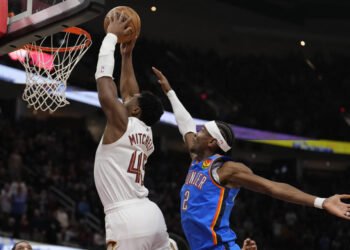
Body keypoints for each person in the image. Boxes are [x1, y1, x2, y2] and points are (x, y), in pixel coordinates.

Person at [152, 67, 350, 250]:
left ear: (212, 142)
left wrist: (321, 202)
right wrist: (170, 92)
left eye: (201, 131)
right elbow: (185, 124)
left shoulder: (225, 169)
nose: (195, 133)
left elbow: (271, 187)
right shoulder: (197, 158)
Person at [94, 11, 173, 250]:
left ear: (136, 110)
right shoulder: (146, 133)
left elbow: (105, 85)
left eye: (129, 101)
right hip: (151, 216)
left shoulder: (123, 123)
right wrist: (126, 57)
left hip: (127, 219)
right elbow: (130, 94)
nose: (124, 99)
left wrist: (110, 38)